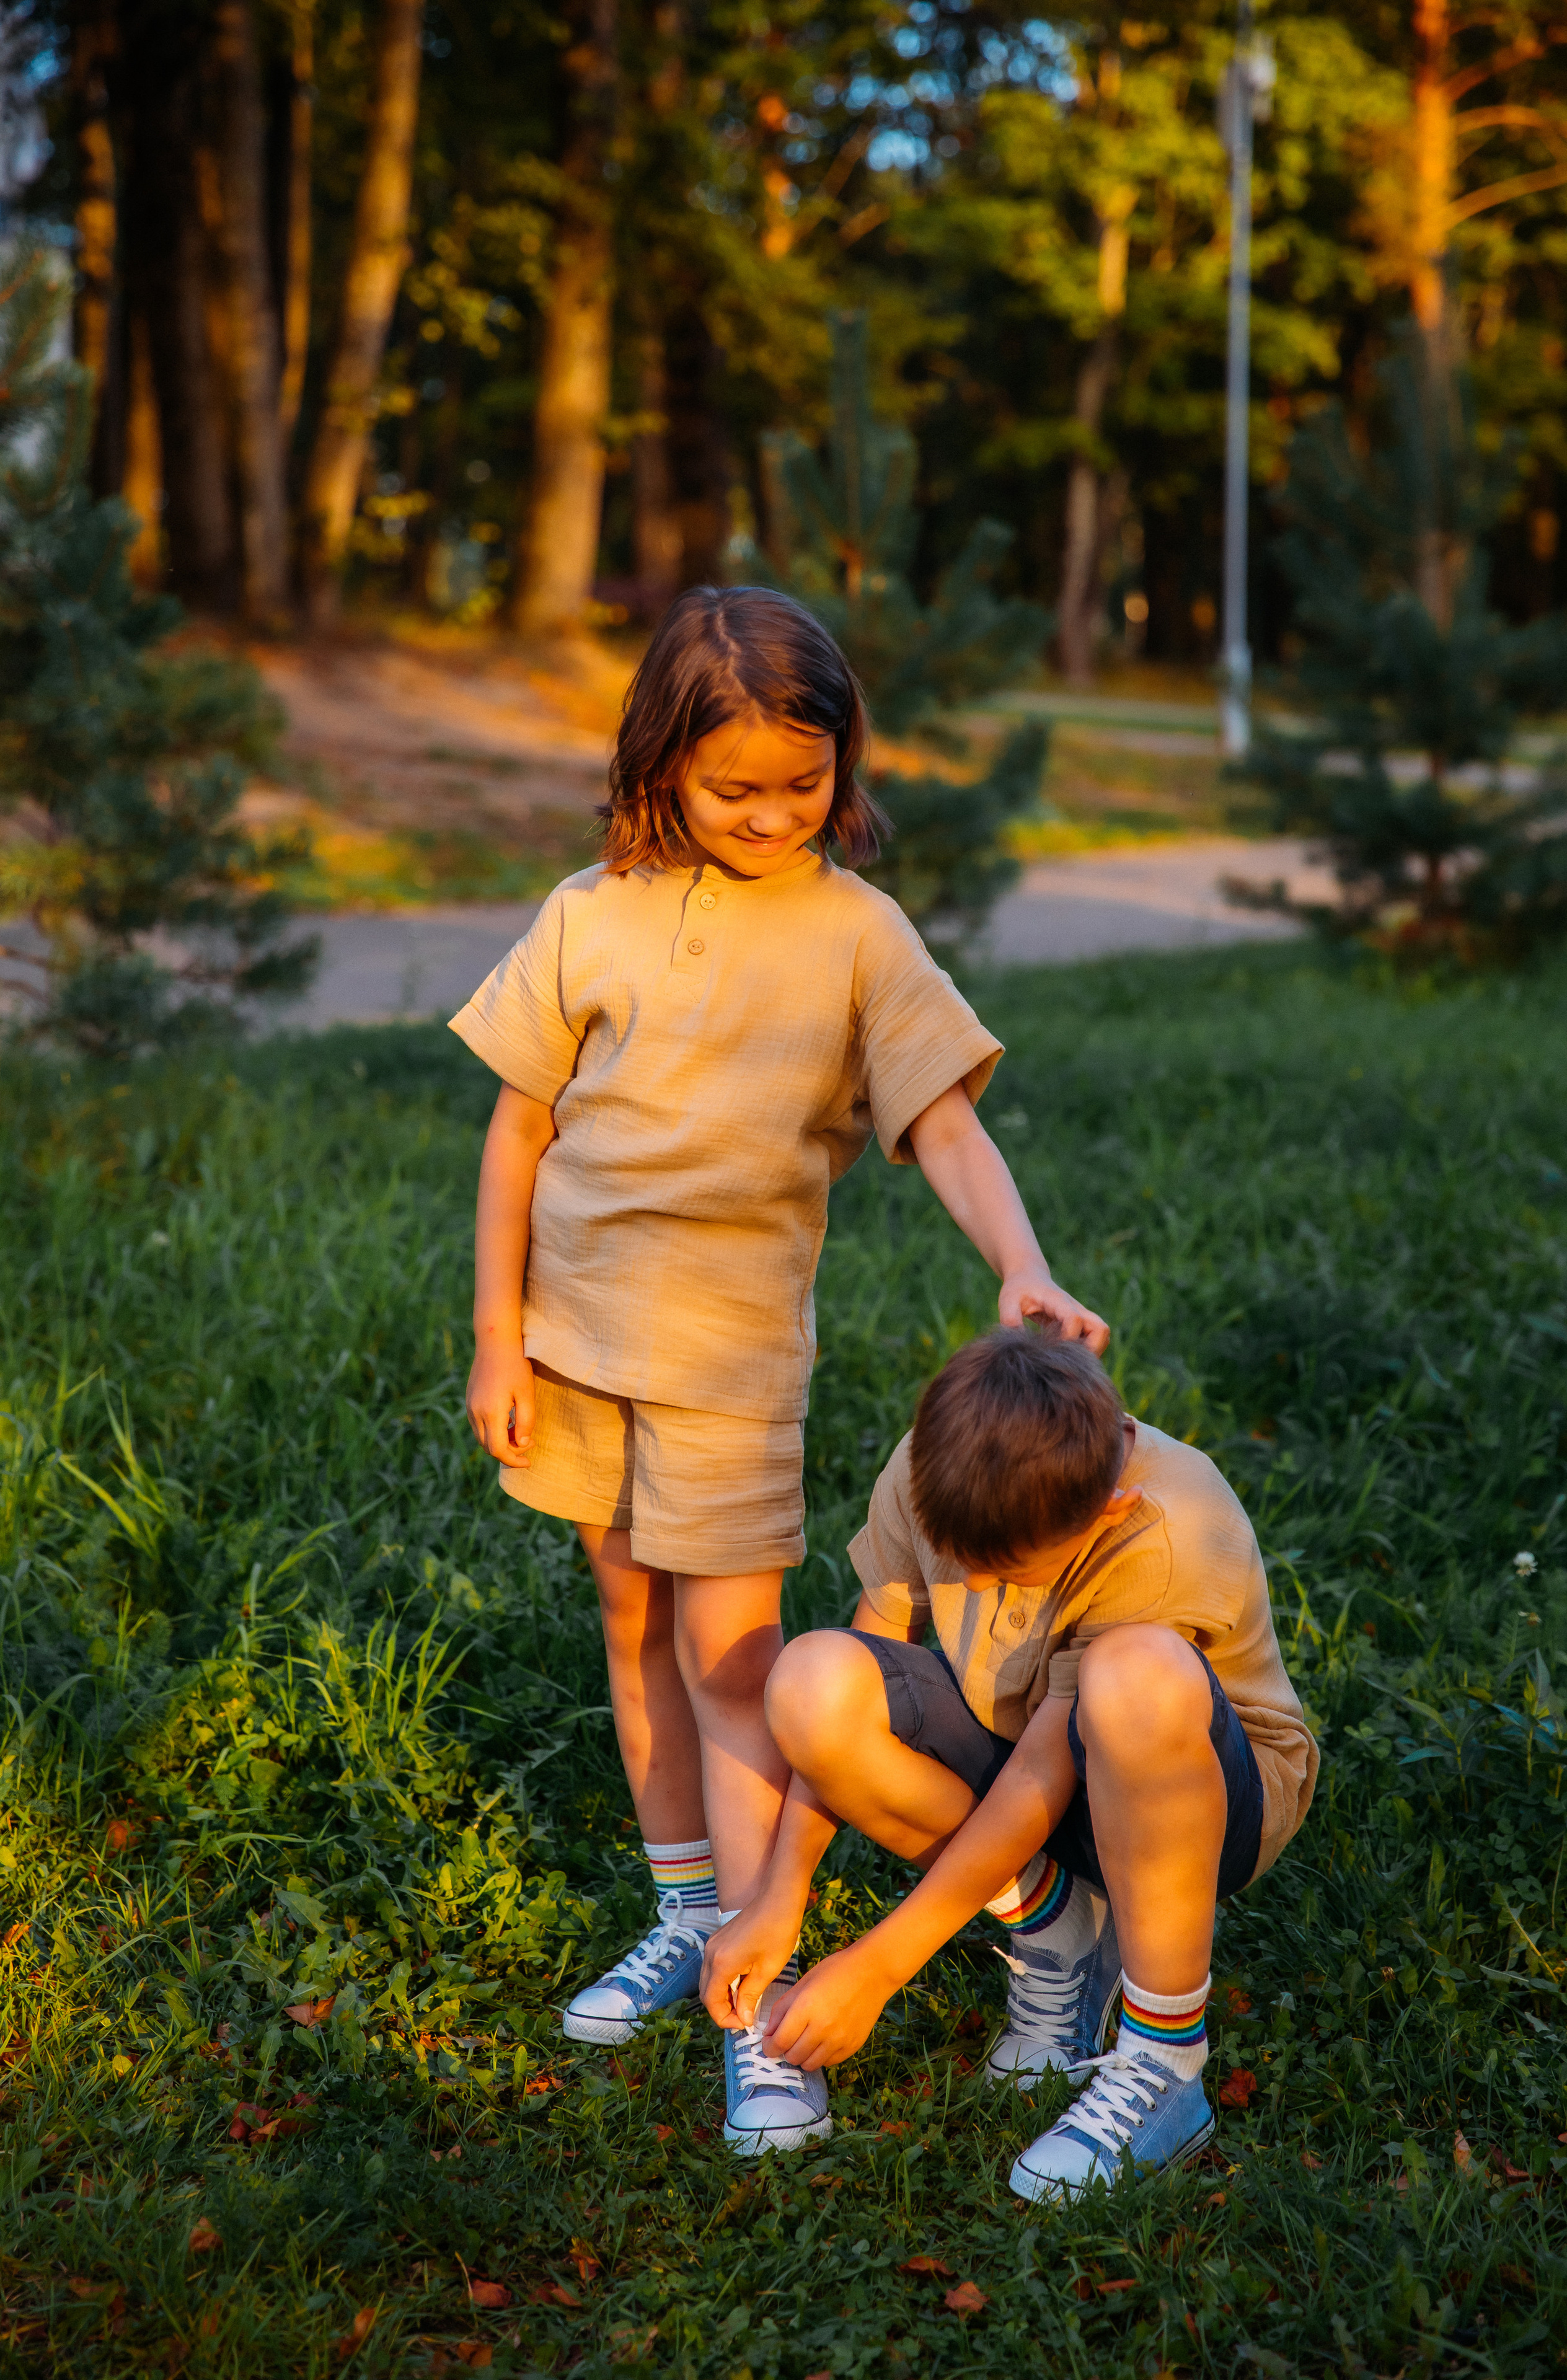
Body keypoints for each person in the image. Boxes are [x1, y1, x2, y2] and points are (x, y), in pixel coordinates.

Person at [451, 586, 1107, 2155]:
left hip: (729, 1367)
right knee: (629, 1624)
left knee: (734, 1664)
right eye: (730, 786)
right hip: (574, 1343)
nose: (766, 814)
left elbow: (943, 1117)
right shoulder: (586, 911)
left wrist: (1016, 1259)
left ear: (841, 767)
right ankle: (687, 1909)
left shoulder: (855, 937)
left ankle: (759, 1977)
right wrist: (495, 1335)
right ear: (659, 763)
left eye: (799, 786)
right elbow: (517, 1131)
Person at [702, 1327, 1318, 2194]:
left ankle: (1164, 2059)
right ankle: (1062, 1930)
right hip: (1026, 1750)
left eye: (1010, 1575)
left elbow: (1041, 1774)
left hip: (1192, 1801)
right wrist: (780, 1898)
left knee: (1131, 1675)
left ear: (1105, 1506)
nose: (984, 1598)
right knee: (812, 1679)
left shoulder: (1165, 1523)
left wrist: (879, 1964)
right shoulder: (940, 1463)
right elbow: (855, 1679)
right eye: (968, 1570)